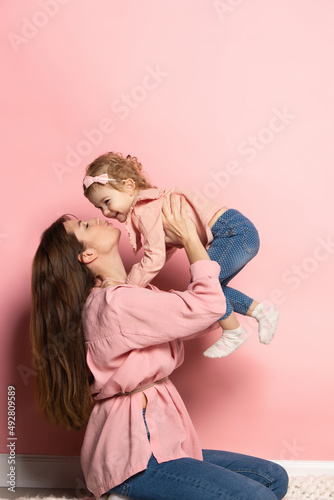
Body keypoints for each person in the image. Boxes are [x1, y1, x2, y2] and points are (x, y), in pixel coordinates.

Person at [30, 195, 288, 500]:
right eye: (86, 225)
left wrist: (209, 300)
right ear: (87, 254)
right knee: (257, 497)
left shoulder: (128, 295)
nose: (97, 218)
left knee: (272, 478)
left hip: (167, 442)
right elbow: (203, 309)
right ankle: (129, 491)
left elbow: (195, 319)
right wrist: (190, 239)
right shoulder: (116, 304)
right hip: (137, 458)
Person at [82, 151, 280, 358]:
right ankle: (262, 312)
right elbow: (164, 250)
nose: (105, 212)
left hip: (231, 233)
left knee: (205, 286)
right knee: (214, 288)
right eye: (99, 207)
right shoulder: (150, 203)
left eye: (107, 201)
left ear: (128, 186)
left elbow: (154, 257)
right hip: (239, 230)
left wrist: (127, 286)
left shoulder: (143, 210)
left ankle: (233, 331)